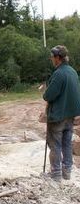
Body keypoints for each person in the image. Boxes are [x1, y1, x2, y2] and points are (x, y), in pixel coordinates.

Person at [43, 45, 80, 182]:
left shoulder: (58, 74)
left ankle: (56, 175)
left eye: (52, 57)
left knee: (55, 145)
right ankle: (67, 172)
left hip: (58, 116)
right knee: (66, 144)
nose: (51, 59)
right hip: (70, 116)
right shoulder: (72, 72)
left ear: (58, 58)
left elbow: (48, 96)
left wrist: (46, 91)